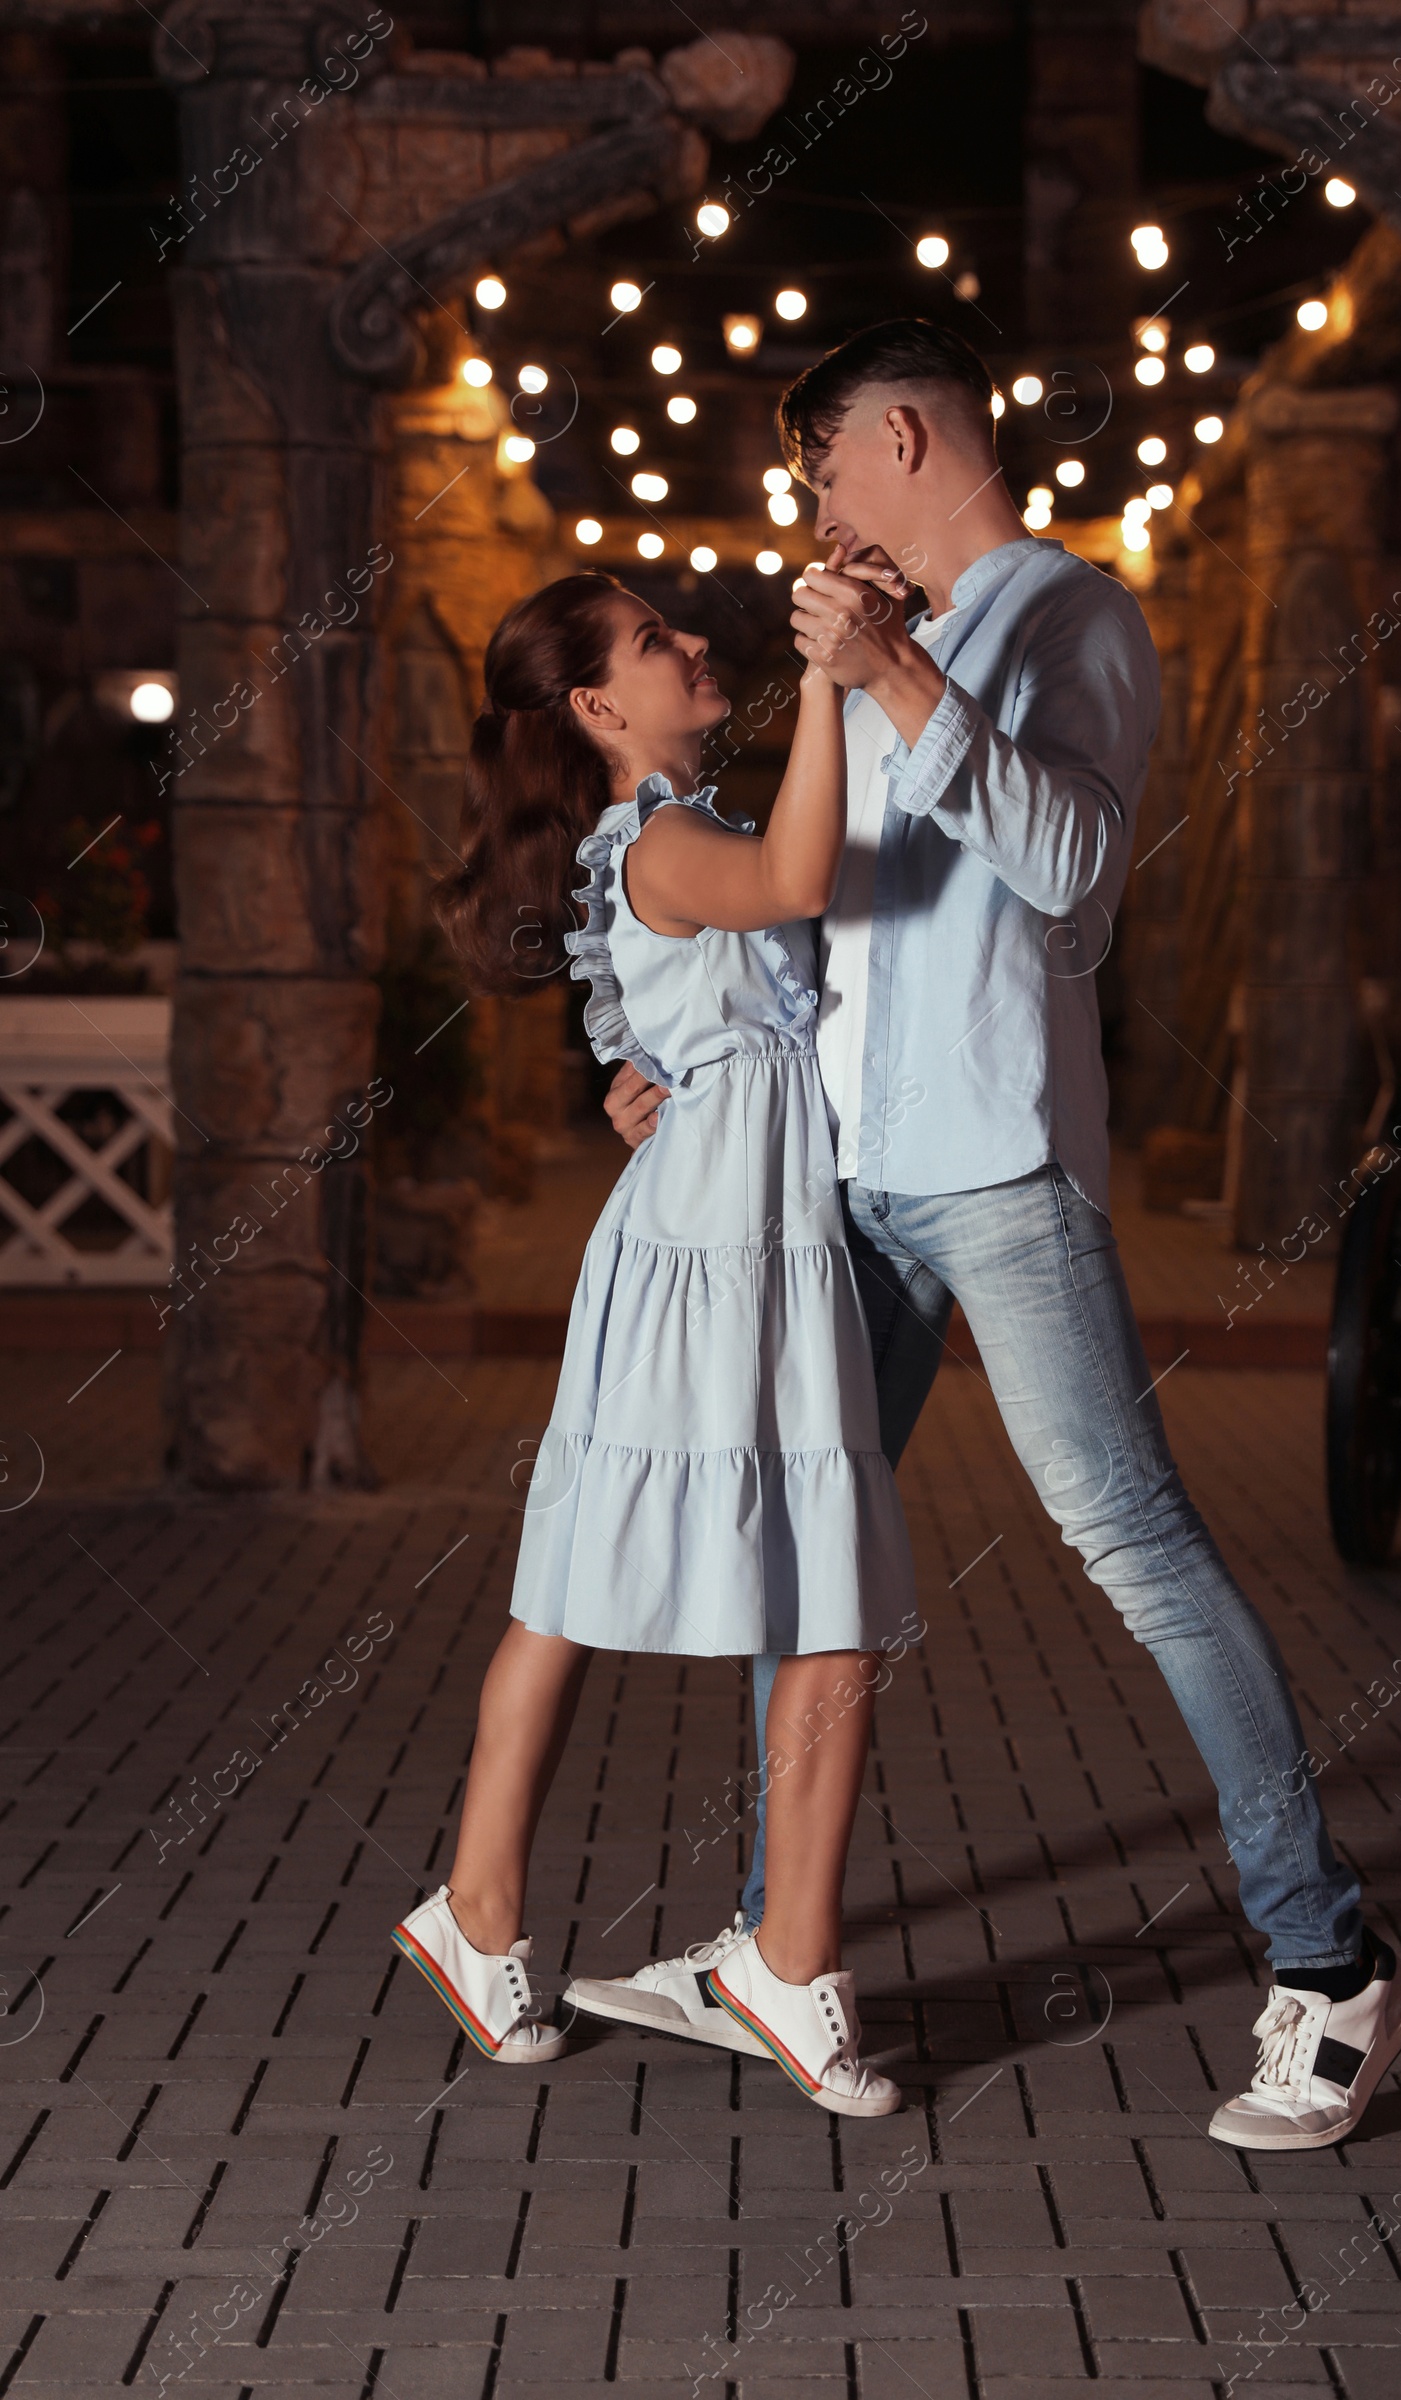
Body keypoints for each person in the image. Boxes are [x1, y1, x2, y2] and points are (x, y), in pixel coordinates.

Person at [581, 319, 1401, 2152]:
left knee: (1133, 1545)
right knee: (799, 1553)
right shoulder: (905, 641)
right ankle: (771, 1950)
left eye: (819, 469)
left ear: (894, 438)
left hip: (999, 1168)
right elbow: (817, 928)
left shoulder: (1073, 618)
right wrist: (661, 1073)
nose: (813, 509)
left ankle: (1332, 1961)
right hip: (846, 1178)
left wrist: (889, 673)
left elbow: (1070, 874)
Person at [391, 570, 917, 2119]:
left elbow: (696, 1023)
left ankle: (543, 1922)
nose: (696, 646)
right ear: (601, 712)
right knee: (680, 1577)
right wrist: (830, 676)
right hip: (711, 1248)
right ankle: (542, 1919)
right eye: (653, 642)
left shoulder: (661, 834)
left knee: (691, 1578)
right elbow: (806, 875)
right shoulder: (666, 835)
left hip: (735, 1228)